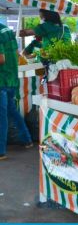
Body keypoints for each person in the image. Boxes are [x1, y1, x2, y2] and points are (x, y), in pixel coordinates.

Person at [0, 23, 33, 160]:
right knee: (11, 111)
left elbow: (1, 59)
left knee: (2, 115)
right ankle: (27, 139)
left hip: (2, 79)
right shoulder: (6, 29)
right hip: (12, 78)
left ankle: (1, 151)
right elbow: (15, 53)